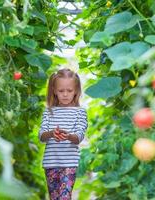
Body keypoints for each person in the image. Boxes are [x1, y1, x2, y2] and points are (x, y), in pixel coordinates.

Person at [38, 68, 88, 200]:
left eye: (69, 91)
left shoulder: (80, 113)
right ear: (54, 91)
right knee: (54, 197)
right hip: (50, 163)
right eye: (61, 91)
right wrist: (52, 134)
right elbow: (41, 136)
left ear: (76, 91)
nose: (65, 94)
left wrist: (68, 136)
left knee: (65, 196)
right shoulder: (49, 112)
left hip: (69, 163)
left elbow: (79, 136)